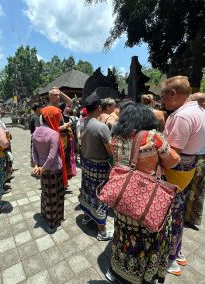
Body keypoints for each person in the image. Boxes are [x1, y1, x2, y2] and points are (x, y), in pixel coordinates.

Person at [105, 103, 180, 284]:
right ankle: (144, 276)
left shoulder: (115, 139)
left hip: (124, 199)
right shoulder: (153, 138)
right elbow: (173, 162)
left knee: (123, 235)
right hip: (148, 201)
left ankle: (117, 271)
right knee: (149, 238)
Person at [160, 76, 205, 275]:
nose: (162, 101)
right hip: (189, 167)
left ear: (173, 94)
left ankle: (170, 257)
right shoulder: (200, 111)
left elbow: (173, 156)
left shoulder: (181, 116)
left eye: (163, 96)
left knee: (170, 214)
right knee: (178, 210)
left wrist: (154, 148)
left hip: (175, 171)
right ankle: (177, 251)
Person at [79, 93, 113, 241]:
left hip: (86, 165)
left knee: (87, 191)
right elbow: (110, 150)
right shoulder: (101, 127)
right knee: (100, 196)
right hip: (99, 167)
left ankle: (86, 217)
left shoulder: (82, 124)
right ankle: (102, 231)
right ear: (99, 108)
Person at [184, 93, 205, 230]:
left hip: (189, 155)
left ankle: (183, 216)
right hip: (200, 155)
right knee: (196, 188)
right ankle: (190, 218)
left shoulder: (184, 116)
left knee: (187, 187)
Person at [32, 106, 66, 229]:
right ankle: (53, 220)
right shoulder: (54, 134)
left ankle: (45, 214)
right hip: (53, 169)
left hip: (42, 169)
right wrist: (43, 168)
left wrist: (38, 166)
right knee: (56, 195)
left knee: (46, 193)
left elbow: (33, 151)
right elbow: (52, 157)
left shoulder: (36, 131)